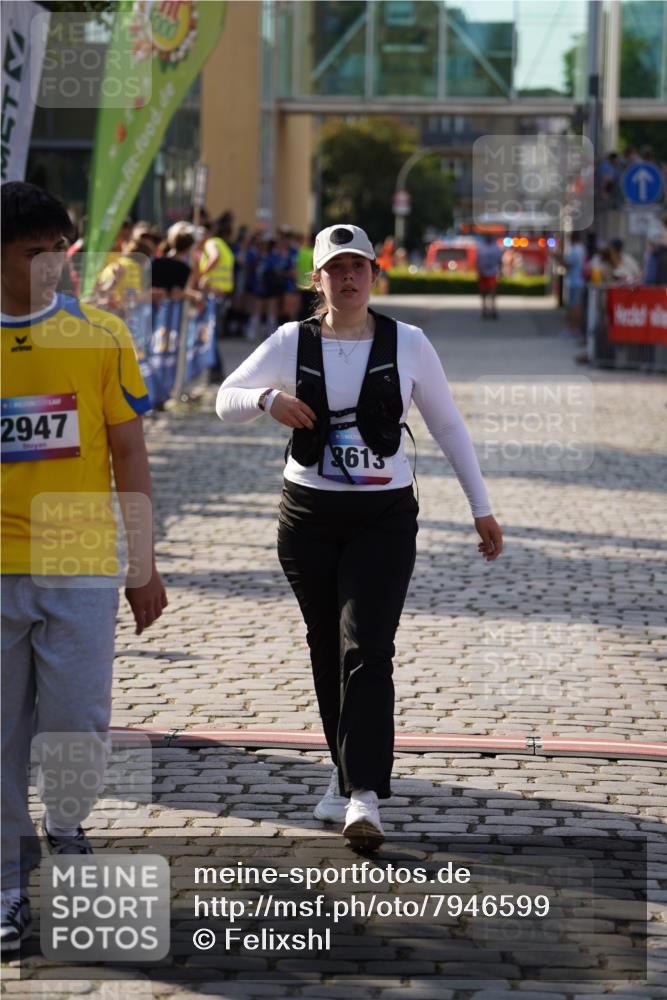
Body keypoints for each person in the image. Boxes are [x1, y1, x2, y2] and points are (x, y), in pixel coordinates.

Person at [215, 224, 503, 850]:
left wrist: (482, 508)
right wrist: (268, 399)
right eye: (335, 269)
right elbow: (223, 397)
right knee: (326, 646)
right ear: (316, 280)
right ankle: (344, 775)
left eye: (359, 268)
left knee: (366, 647)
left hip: (383, 516)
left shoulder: (411, 344)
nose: (348, 279)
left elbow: (449, 427)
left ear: (375, 275)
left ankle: (364, 796)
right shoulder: (293, 340)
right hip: (308, 519)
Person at [1, 182, 167, 951]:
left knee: (77, 721)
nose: (53, 268)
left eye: (58, 253)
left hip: (81, 558)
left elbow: (129, 450)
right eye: (34, 254)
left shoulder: (101, 334)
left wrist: (144, 564)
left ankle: (65, 824)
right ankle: (7, 884)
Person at [560, 231, 586, 337]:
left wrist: (557, 257)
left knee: (575, 306)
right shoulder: (581, 249)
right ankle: (574, 328)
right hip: (577, 281)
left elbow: (567, 264)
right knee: (576, 305)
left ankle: (575, 329)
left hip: (575, 282)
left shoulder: (576, 250)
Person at [476, 234, 503, 319]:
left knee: (492, 292)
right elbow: (477, 259)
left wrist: (500, 270)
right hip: (483, 273)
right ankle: (484, 310)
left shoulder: (495, 248)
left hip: (492, 273)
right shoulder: (481, 247)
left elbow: (500, 260)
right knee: (483, 292)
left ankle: (493, 310)